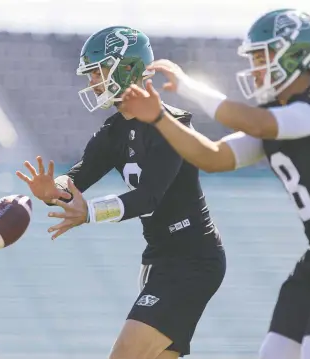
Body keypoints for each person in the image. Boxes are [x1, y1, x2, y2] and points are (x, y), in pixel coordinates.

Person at [119, 9, 310, 359]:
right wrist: (159, 118)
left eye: (264, 57)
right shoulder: (276, 118)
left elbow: (261, 123)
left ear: (296, 55)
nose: (257, 67)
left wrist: (187, 87)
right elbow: (213, 156)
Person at [16, 26, 226, 359]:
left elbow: (149, 197)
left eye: (98, 72)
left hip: (193, 259)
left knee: (125, 354)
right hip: (161, 259)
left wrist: (89, 213)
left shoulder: (171, 125)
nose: (92, 82)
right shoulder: (112, 133)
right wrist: (50, 190)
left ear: (126, 68)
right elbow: (74, 182)